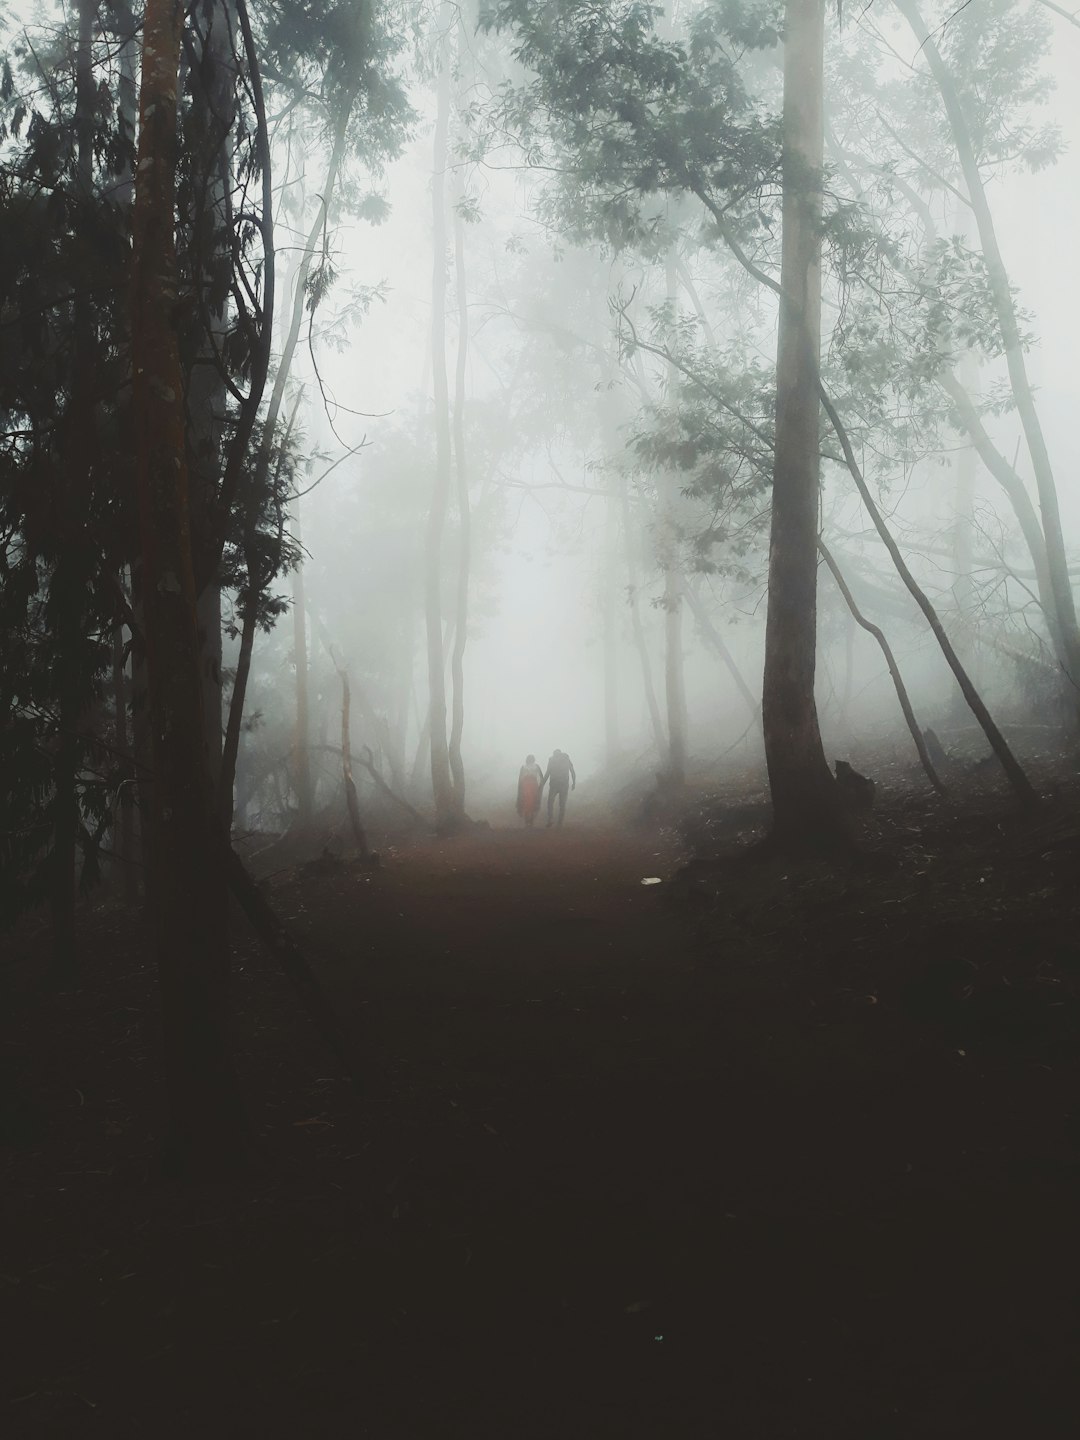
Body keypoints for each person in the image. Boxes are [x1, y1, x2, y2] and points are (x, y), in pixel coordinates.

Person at [542, 748, 576, 828]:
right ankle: (560, 822)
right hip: (564, 785)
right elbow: (572, 771)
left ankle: (551, 819)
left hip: (554, 784)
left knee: (550, 802)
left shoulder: (552, 760)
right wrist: (574, 783)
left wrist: (542, 784)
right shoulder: (566, 759)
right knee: (562, 804)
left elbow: (548, 772)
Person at [516, 753, 544, 827]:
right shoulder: (533, 766)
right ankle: (529, 819)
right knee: (530, 801)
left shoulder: (525, 767)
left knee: (529, 801)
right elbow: (541, 777)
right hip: (530, 785)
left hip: (529, 785)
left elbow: (520, 778)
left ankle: (529, 819)